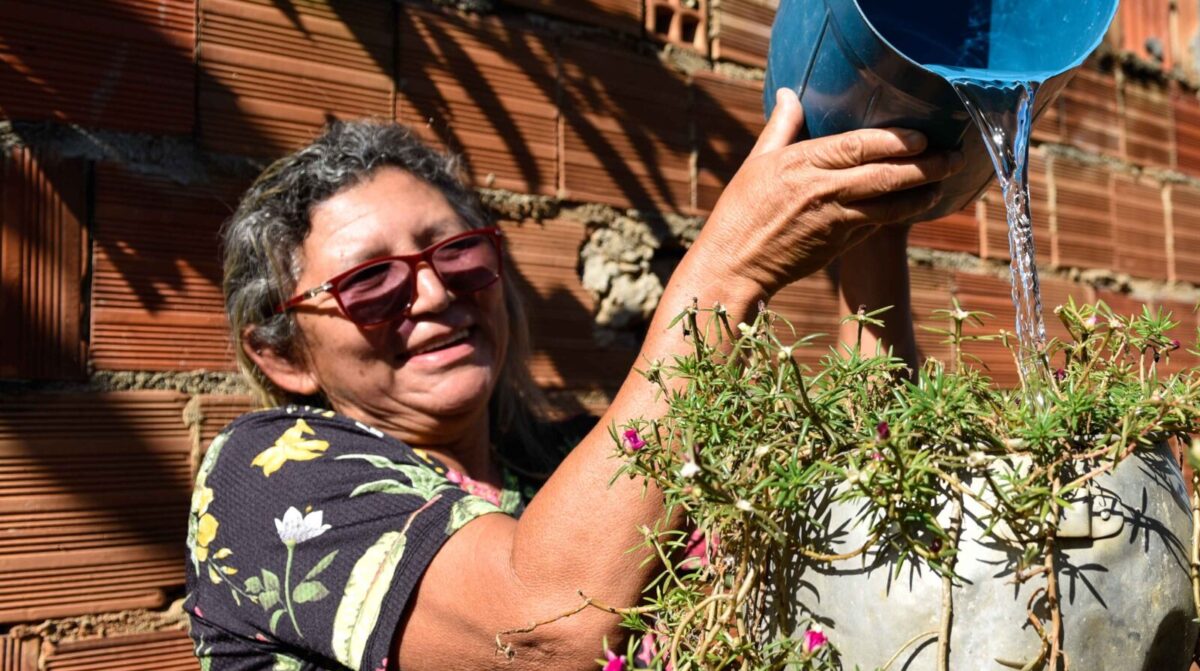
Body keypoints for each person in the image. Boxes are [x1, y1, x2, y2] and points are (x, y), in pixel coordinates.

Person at [186, 88, 951, 670]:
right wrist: (727, 271)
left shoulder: (568, 463)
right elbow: (545, 628)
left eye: (456, 253)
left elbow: (869, 500)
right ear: (284, 356)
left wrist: (872, 222)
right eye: (371, 282)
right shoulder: (264, 477)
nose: (434, 292)